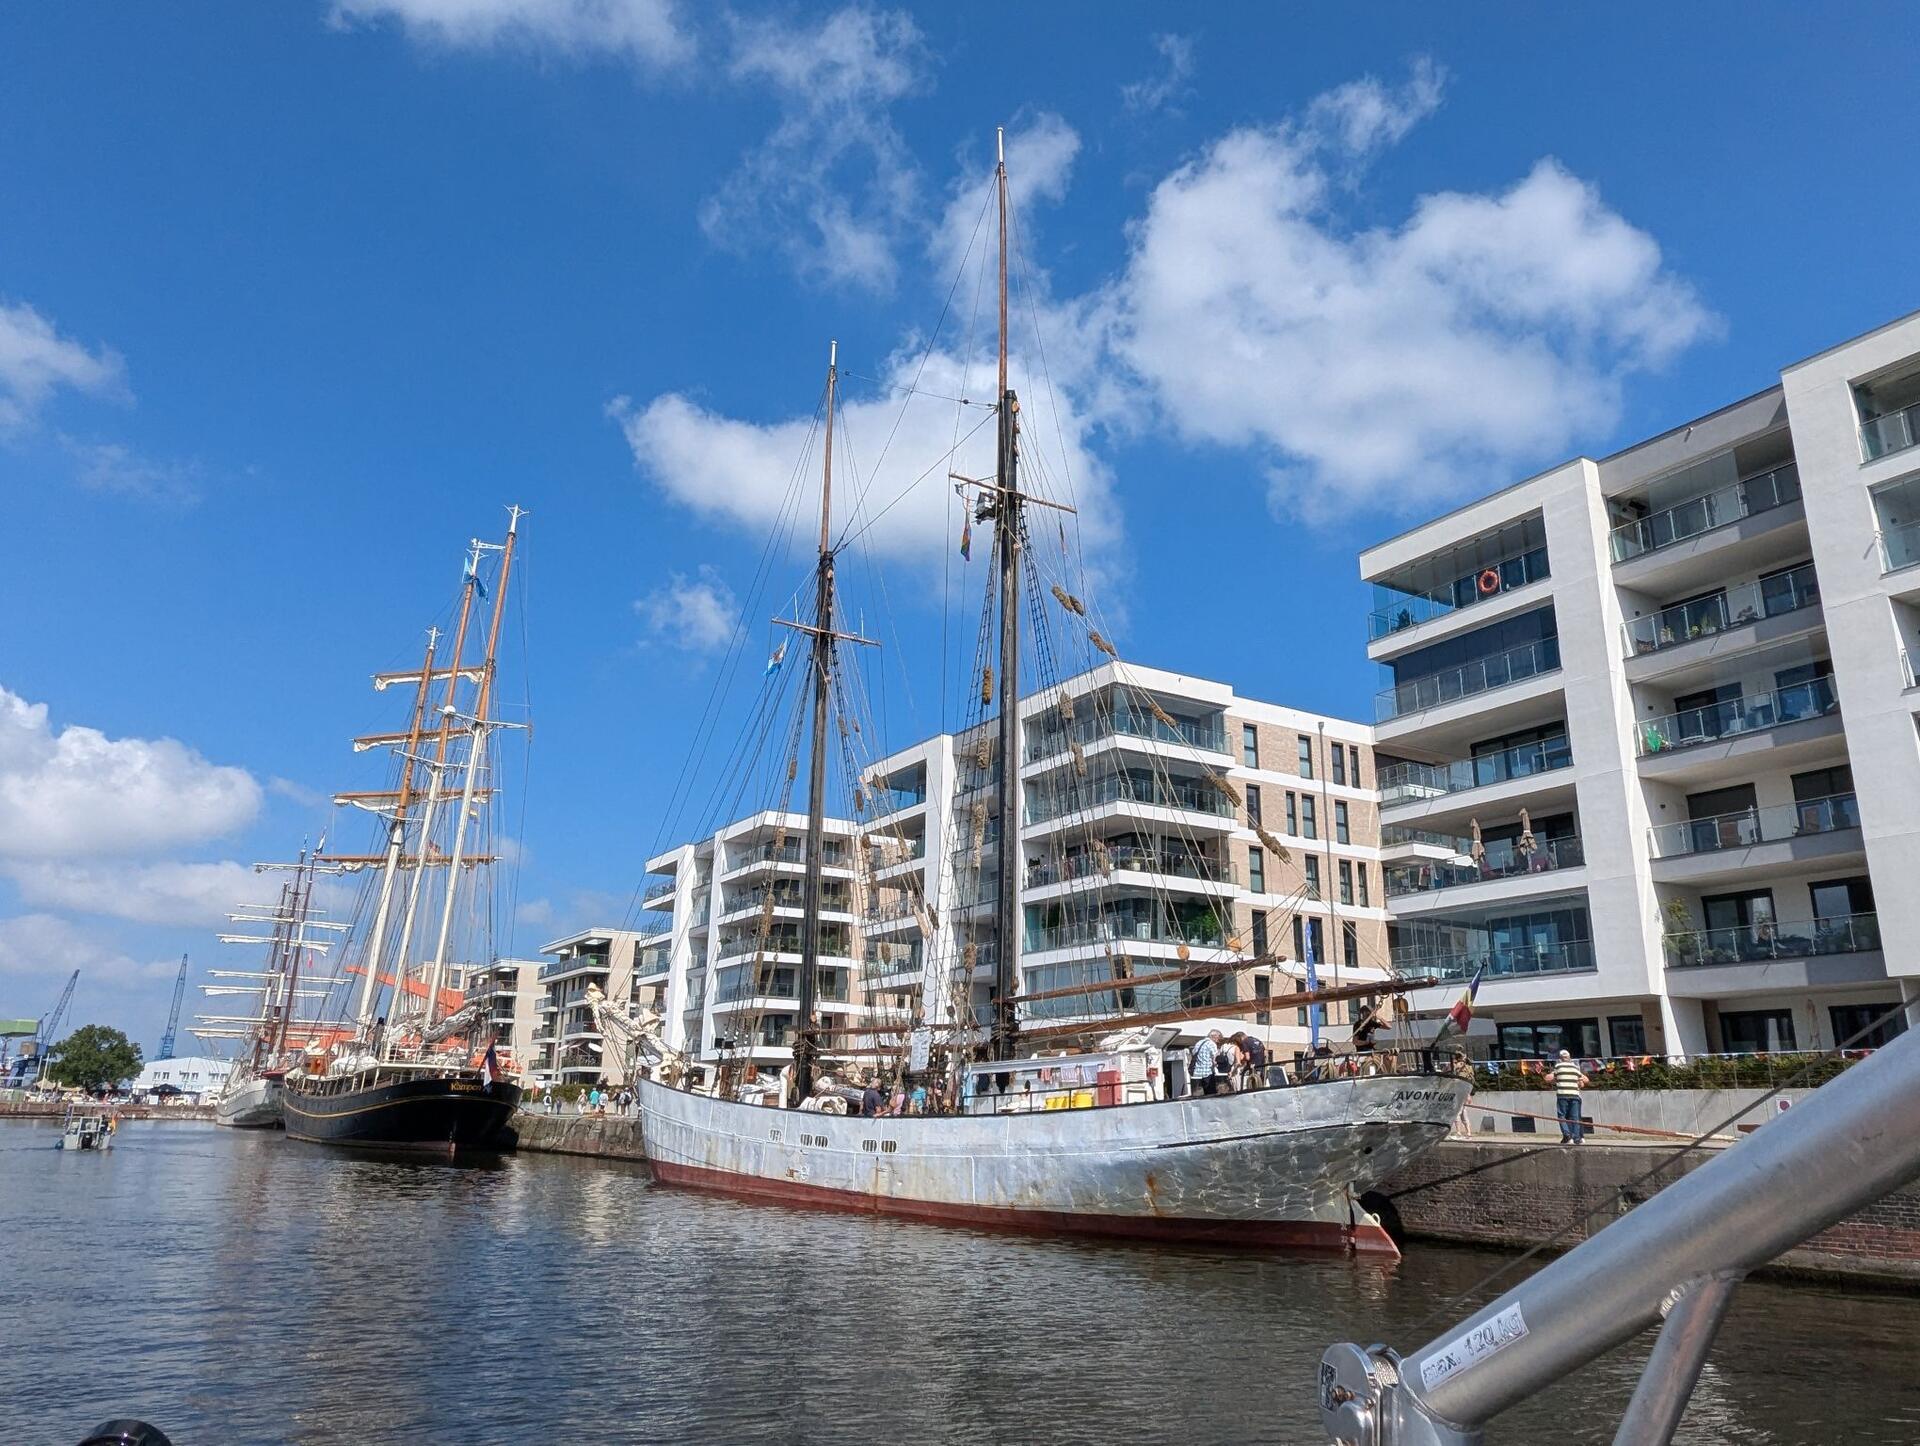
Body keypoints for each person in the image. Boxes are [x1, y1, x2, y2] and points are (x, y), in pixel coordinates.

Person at [1553, 1048, 1588, 1144]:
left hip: (1562, 1094)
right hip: (1575, 1095)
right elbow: (1584, 1080)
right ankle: (1577, 1138)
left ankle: (1567, 1136)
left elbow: (1553, 1078)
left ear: (1560, 1058)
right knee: (1575, 1117)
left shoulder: (1558, 1066)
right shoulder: (1575, 1067)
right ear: (1569, 1058)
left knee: (1562, 1116)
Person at [1190, 1032, 1219, 1096]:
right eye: (1218, 1038)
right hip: (1207, 1073)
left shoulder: (1198, 1043)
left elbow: (1193, 1053)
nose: (1218, 1040)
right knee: (1211, 1095)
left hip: (1196, 1073)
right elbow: (1215, 1059)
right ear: (1214, 1037)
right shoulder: (1212, 1044)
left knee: (1199, 1096)